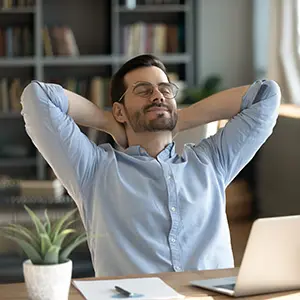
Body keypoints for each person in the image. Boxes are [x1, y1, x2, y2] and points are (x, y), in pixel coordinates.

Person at [20, 54, 281, 277]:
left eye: (165, 89)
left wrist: (181, 119)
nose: (157, 95)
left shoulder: (210, 162)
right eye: (143, 90)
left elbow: (266, 95)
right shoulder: (94, 169)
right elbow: (37, 97)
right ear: (120, 111)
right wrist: (109, 122)